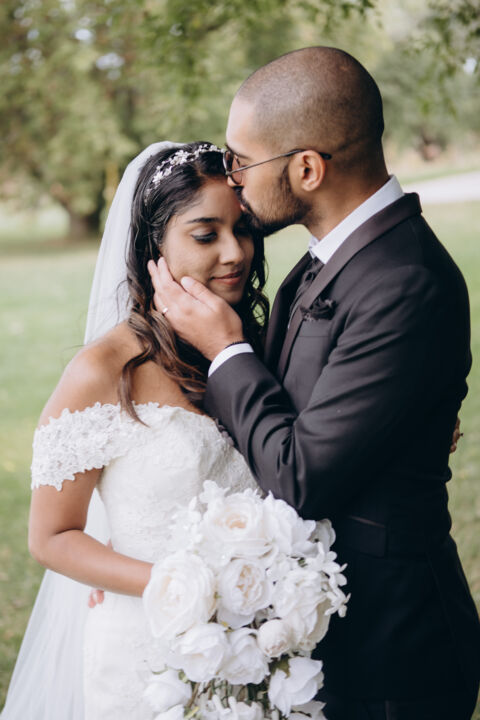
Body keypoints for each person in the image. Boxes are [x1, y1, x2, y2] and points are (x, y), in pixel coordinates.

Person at [148, 47, 480, 719]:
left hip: (395, 654)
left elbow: (300, 477)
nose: (232, 177)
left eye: (242, 160)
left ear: (307, 168)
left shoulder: (404, 281)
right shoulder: (322, 264)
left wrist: (226, 348)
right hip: (325, 640)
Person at [1, 141, 266, 720]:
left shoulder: (260, 349)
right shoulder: (102, 370)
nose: (234, 253)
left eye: (243, 230)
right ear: (153, 244)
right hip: (148, 660)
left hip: (263, 649)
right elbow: (52, 536)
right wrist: (183, 586)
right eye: (206, 235)